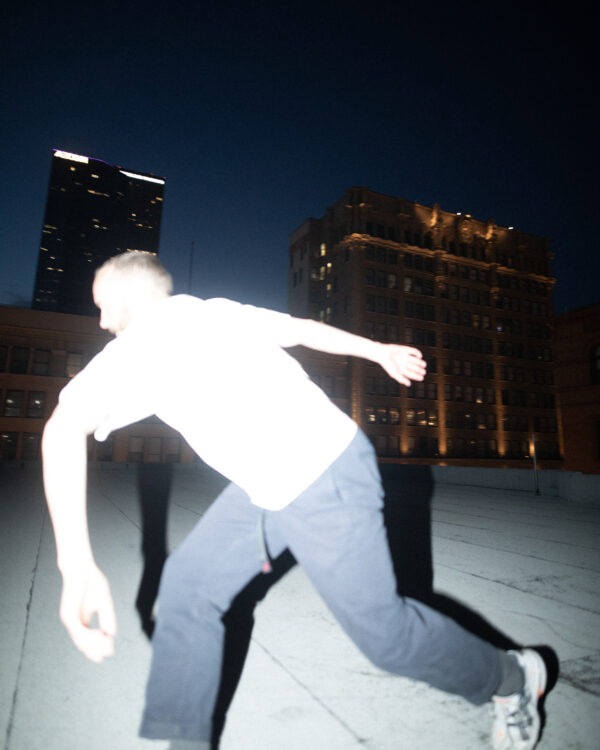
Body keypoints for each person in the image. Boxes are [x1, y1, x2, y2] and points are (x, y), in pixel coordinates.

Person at [42, 252, 547, 750]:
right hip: (271, 487)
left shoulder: (139, 346)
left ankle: (513, 677)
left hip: (325, 474)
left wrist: (75, 564)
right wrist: (377, 351)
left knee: (385, 637)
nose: (102, 321)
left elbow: (62, 429)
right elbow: (302, 329)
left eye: (103, 305)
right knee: (188, 588)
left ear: (131, 295)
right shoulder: (215, 310)